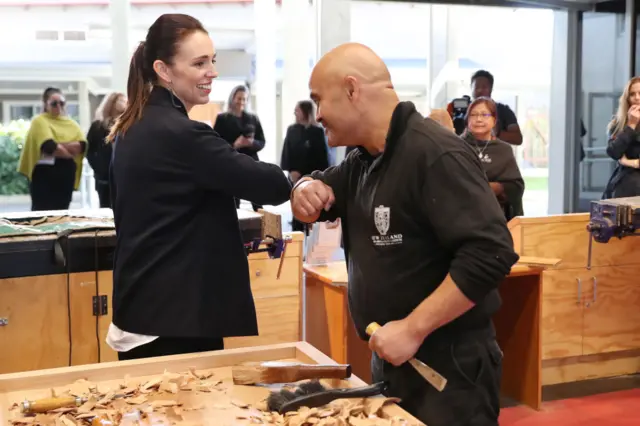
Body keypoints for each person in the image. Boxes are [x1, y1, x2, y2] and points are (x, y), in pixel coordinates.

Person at [290, 42, 519, 426]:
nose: (319, 115)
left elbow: (491, 253)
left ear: (351, 89)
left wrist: (414, 328)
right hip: (395, 361)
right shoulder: (362, 159)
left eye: (319, 100)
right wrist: (303, 191)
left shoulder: (435, 153)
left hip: (449, 370)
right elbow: (321, 188)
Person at [105, 13, 291, 361]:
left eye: (213, 60)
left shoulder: (136, 127)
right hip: (174, 319)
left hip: (145, 307)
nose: (213, 72)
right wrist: (302, 182)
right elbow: (263, 181)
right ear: (163, 70)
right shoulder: (180, 134)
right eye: (199, 63)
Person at [18, 87, 87, 211]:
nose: (58, 106)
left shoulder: (71, 124)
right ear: (46, 104)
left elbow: (81, 146)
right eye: (54, 103)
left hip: (66, 174)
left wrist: (59, 145)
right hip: (44, 175)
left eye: (62, 103)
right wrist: (67, 151)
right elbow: (49, 146)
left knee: (62, 212)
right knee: (41, 213)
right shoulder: (39, 121)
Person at [461, 97, 524, 221]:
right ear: (467, 120)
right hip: (463, 216)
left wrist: (497, 187)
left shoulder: (503, 150)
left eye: (484, 115)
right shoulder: (456, 146)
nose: (478, 119)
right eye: (473, 115)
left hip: (495, 218)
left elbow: (516, 186)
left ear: (494, 120)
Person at [214, 85, 266, 211]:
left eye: (244, 99)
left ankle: (262, 228)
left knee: (257, 199)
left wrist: (251, 143)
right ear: (232, 98)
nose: (241, 102)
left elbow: (262, 141)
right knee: (233, 201)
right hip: (232, 162)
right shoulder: (223, 119)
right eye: (239, 99)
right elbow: (215, 143)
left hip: (251, 162)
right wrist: (235, 145)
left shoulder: (253, 118)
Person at [280, 100, 330, 234]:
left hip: (312, 174)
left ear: (305, 112)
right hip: (295, 175)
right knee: (297, 206)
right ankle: (297, 236)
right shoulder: (292, 130)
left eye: (298, 110)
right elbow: (287, 151)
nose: (295, 113)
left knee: (312, 209)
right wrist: (290, 170)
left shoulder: (317, 131)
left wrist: (320, 175)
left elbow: (321, 155)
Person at [86, 92, 127, 208]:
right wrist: (101, 170)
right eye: (121, 100)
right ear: (112, 103)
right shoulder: (98, 126)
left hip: (125, 179)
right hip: (105, 180)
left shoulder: (131, 125)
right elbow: (90, 152)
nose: (125, 102)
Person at [602, 76, 640, 199]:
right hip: (626, 184)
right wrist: (631, 125)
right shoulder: (617, 124)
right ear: (627, 98)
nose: (637, 98)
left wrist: (630, 162)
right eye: (632, 94)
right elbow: (613, 152)